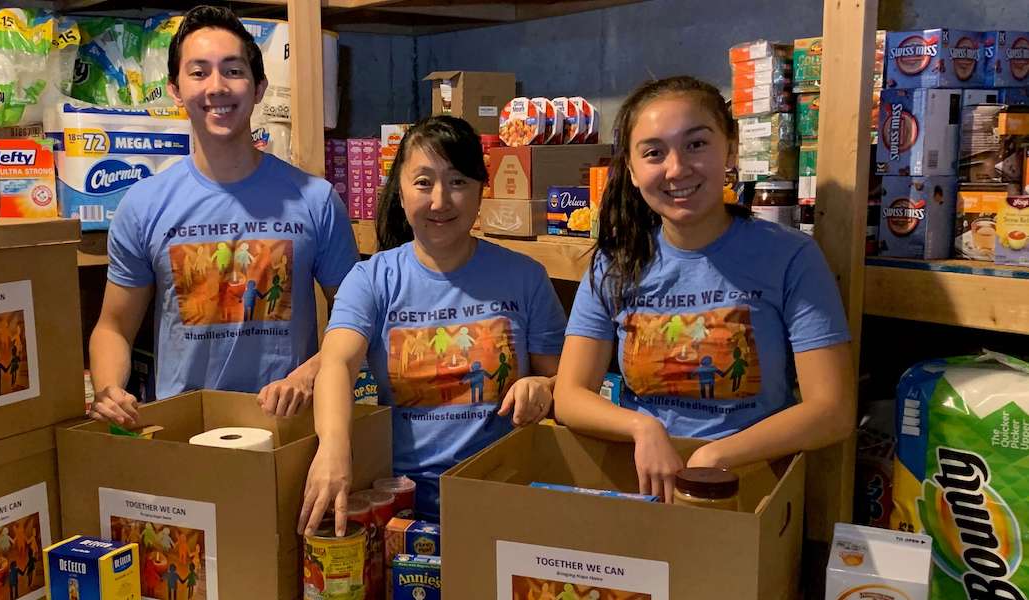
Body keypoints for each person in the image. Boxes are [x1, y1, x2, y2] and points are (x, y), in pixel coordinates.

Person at [553, 76, 854, 502]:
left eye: (696, 144)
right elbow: (569, 396)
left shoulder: (790, 258)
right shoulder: (614, 264)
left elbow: (833, 410)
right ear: (634, 171)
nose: (676, 169)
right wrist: (643, 427)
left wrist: (716, 457)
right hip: (641, 487)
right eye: (654, 153)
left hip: (749, 490)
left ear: (730, 150)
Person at [88, 5, 358, 426]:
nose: (217, 87)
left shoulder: (315, 200)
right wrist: (109, 390)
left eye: (233, 71)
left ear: (260, 87)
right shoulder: (143, 206)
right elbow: (114, 327)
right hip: (186, 429)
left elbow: (355, 321)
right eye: (199, 73)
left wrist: (309, 375)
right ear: (175, 90)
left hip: (286, 425)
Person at [297, 116, 567, 534]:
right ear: (400, 191)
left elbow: (563, 383)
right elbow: (337, 362)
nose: (440, 201)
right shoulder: (372, 278)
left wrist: (544, 389)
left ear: (482, 190)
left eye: (458, 182)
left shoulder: (525, 278)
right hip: (398, 506)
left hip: (502, 500)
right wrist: (333, 447)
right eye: (423, 183)